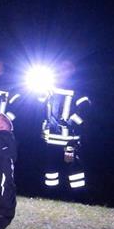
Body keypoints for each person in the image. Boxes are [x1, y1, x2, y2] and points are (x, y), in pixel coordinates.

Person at [37, 60, 90, 195]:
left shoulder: (78, 87)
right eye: (61, 67)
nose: (63, 70)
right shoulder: (50, 87)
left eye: (67, 68)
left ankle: (78, 196)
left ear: (72, 70)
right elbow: (39, 103)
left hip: (69, 138)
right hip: (51, 137)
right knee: (50, 167)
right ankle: (50, 194)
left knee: (73, 167)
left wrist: (71, 122)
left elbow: (85, 109)